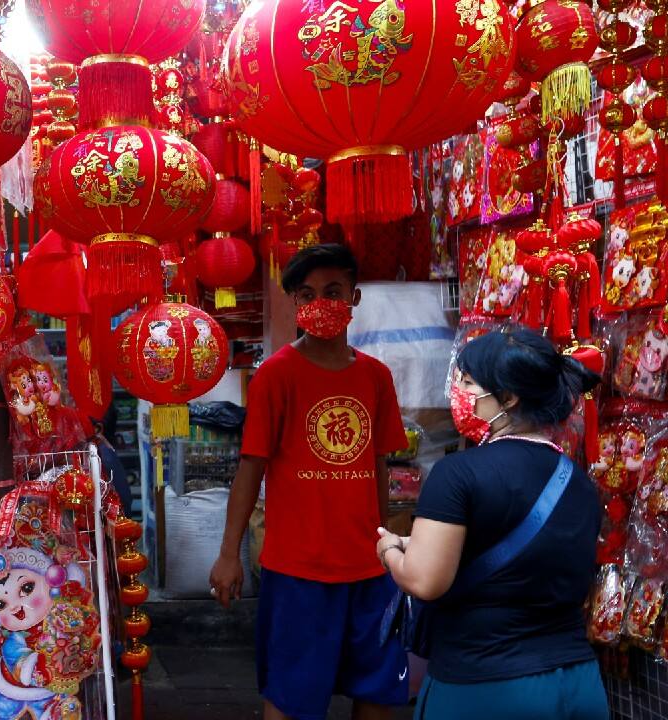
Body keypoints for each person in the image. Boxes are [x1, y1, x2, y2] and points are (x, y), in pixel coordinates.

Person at [210, 244, 410, 720]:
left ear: (354, 298)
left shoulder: (377, 378)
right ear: (298, 305)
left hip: (368, 567)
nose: (321, 303)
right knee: (291, 696)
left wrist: (386, 544)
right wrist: (227, 554)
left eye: (333, 291)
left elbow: (378, 465)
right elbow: (250, 467)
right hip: (298, 570)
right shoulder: (276, 376)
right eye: (308, 294)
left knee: (379, 691)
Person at [376, 330, 607, 720]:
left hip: (487, 687)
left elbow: (424, 581)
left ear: (509, 398)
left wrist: (390, 551)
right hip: (579, 684)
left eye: (468, 382)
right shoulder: (580, 481)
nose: (459, 393)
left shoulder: (458, 474)